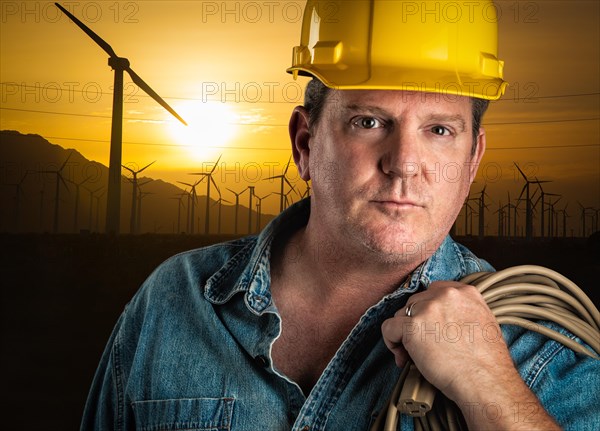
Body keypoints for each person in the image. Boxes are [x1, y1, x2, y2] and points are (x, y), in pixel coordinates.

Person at [81, 1, 599, 430]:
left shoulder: (538, 348)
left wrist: (491, 388)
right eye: (369, 121)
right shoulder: (173, 302)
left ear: (472, 160)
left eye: (439, 130)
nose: (403, 164)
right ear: (304, 143)